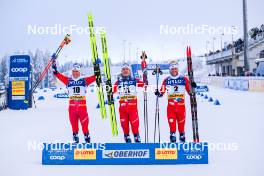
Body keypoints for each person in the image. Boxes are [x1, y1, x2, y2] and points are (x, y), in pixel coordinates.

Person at [52, 62, 96, 143]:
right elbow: (58, 75)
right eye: (74, 71)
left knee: (85, 125)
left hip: (82, 107)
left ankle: (87, 138)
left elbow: (96, 77)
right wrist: (54, 68)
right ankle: (75, 139)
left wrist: (96, 67)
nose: (75, 73)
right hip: (72, 108)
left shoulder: (84, 80)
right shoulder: (68, 80)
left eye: (77, 71)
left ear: (79, 72)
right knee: (74, 125)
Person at [155, 61, 196, 143]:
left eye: (175, 68)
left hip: (181, 108)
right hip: (171, 108)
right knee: (172, 129)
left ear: (178, 69)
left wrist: (193, 87)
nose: (174, 70)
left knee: (181, 128)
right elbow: (161, 93)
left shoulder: (183, 79)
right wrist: (158, 93)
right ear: (170, 70)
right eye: (172, 69)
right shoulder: (166, 80)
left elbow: (190, 92)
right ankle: (173, 145)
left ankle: (182, 141)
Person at [113, 63, 144, 143]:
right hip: (122, 109)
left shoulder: (134, 80)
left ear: (130, 71)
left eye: (127, 69)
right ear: (121, 71)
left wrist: (145, 79)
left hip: (132, 108)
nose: (125, 71)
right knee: (124, 125)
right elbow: (112, 91)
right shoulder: (118, 82)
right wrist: (106, 83)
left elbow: (144, 85)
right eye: (123, 69)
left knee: (135, 125)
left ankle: (137, 137)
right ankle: (127, 138)